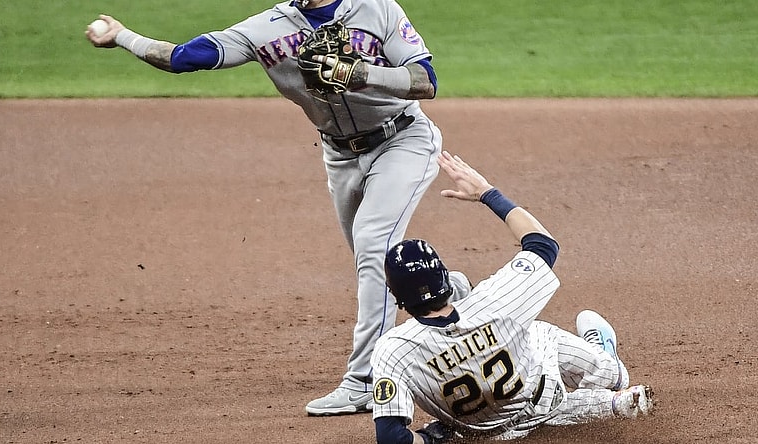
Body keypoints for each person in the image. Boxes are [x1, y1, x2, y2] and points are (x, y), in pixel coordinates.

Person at [85, 0, 452, 416]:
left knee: (372, 247)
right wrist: (122, 37)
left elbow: (426, 81)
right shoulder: (265, 28)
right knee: (375, 261)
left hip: (403, 140)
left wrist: (361, 73)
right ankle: (443, 289)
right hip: (340, 156)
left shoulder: (378, 9)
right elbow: (180, 58)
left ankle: (366, 380)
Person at [370, 151, 654, 443]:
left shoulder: (393, 350)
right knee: (536, 332)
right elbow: (543, 244)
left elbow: (392, 438)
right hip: (544, 398)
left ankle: (609, 405)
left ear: (397, 296)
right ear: (445, 279)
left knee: (495, 399)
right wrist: (486, 192)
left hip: (485, 435)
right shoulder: (493, 301)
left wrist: (430, 440)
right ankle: (609, 372)